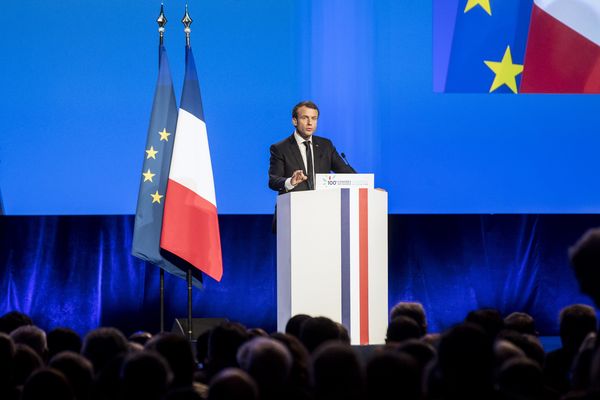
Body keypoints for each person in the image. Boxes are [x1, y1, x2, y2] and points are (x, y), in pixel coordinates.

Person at [268, 101, 355, 195]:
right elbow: (273, 181)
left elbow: (345, 172)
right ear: (295, 121)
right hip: (293, 206)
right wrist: (291, 181)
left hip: (321, 205)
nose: (310, 123)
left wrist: (363, 182)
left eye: (314, 118)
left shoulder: (325, 145)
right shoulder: (280, 148)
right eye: (304, 118)